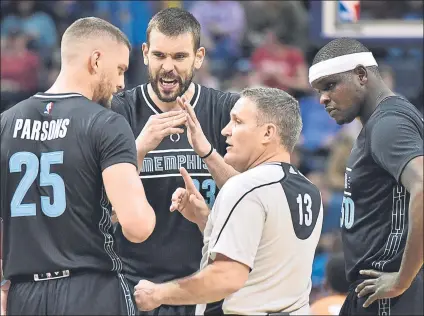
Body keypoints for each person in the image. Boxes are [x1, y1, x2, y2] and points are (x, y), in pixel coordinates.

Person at [0, 17, 156, 315]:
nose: (122, 83)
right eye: (120, 69)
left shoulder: (5, 124)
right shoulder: (106, 123)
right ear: (96, 60)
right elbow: (137, 226)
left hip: (24, 294)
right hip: (89, 291)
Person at [133, 87, 324, 315]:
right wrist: (205, 219)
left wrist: (158, 294)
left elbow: (227, 276)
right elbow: (263, 255)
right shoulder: (309, 190)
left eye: (237, 122)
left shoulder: (245, 187)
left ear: (267, 133)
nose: (226, 130)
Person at [111, 8, 239, 315]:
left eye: (179, 57)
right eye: (159, 55)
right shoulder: (117, 112)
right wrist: (138, 148)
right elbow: (95, 202)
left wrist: (208, 153)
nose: (168, 67)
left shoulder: (227, 110)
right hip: (133, 286)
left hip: (205, 286)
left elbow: (250, 195)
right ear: (144, 54)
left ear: (198, 57)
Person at [309, 38, 423, 315]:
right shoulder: (381, 121)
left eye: (330, 85)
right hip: (374, 289)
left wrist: (402, 278)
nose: (323, 98)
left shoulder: (388, 123)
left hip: (389, 291)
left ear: (361, 75)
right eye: (319, 90)